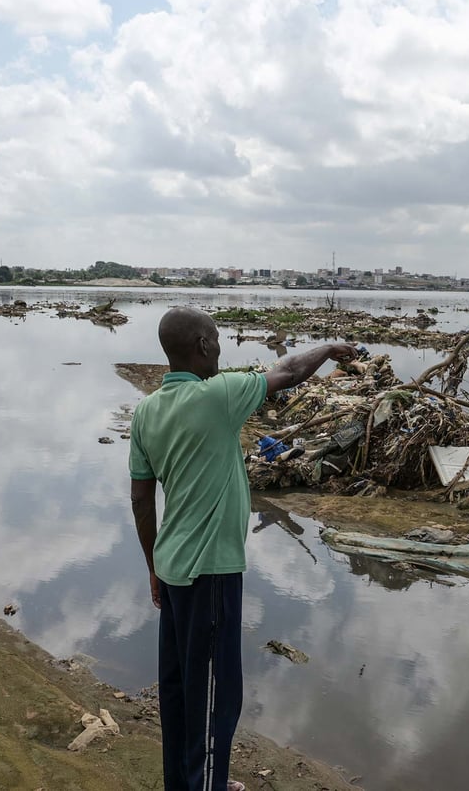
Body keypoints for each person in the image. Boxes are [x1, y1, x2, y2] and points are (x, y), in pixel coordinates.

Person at [129, 306, 357, 791]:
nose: (221, 347)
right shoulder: (220, 396)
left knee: (178, 690)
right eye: (216, 338)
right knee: (214, 695)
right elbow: (289, 371)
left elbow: (140, 497)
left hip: (170, 569)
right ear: (203, 346)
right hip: (210, 571)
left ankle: (184, 782)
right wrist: (332, 348)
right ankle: (208, 784)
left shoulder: (146, 410)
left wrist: (151, 565)